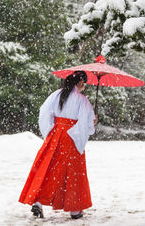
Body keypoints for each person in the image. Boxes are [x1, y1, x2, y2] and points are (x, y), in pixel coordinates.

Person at [19, 70, 97, 220]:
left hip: (55, 136)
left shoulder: (56, 95)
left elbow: (44, 111)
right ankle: (74, 209)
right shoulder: (82, 100)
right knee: (72, 172)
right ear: (80, 82)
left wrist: (50, 130)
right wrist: (91, 122)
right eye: (84, 84)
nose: (84, 86)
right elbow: (86, 123)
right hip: (72, 137)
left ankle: (38, 201)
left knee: (48, 169)